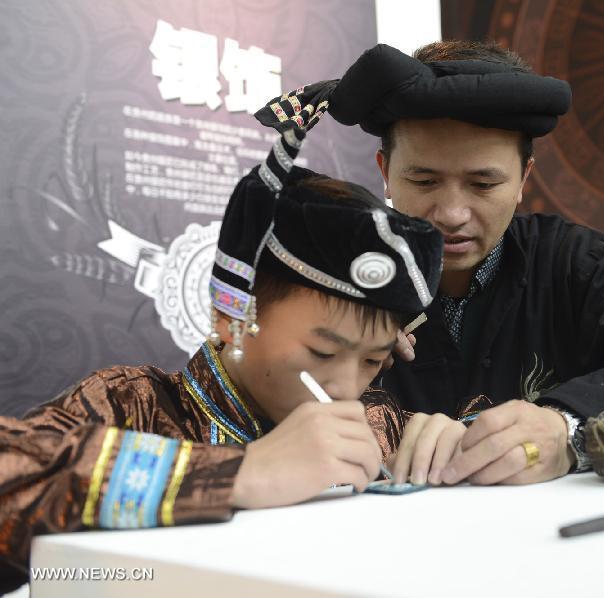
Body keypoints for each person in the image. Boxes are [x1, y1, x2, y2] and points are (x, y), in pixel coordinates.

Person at [0, 88, 444, 590]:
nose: (346, 387)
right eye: (323, 351)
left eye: (372, 361)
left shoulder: (374, 421)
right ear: (231, 316)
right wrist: (242, 472)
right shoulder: (131, 406)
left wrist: (463, 443)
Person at [315, 41, 604, 487]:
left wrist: (567, 428)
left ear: (523, 180)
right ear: (384, 172)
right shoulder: (330, 272)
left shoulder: (574, 263)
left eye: (483, 183)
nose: (452, 213)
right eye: (423, 180)